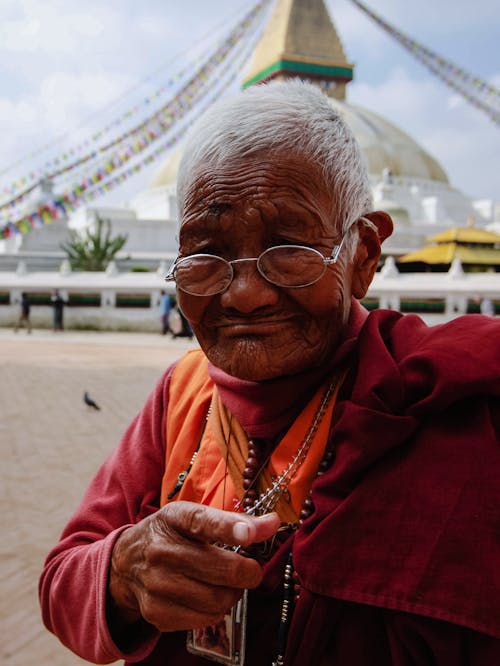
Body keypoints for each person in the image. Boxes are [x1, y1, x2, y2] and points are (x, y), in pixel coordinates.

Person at [39, 81, 500, 666]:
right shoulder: (185, 391)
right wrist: (124, 573)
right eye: (206, 253)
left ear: (362, 256)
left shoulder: (448, 400)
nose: (246, 294)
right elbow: (61, 580)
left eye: (289, 247)